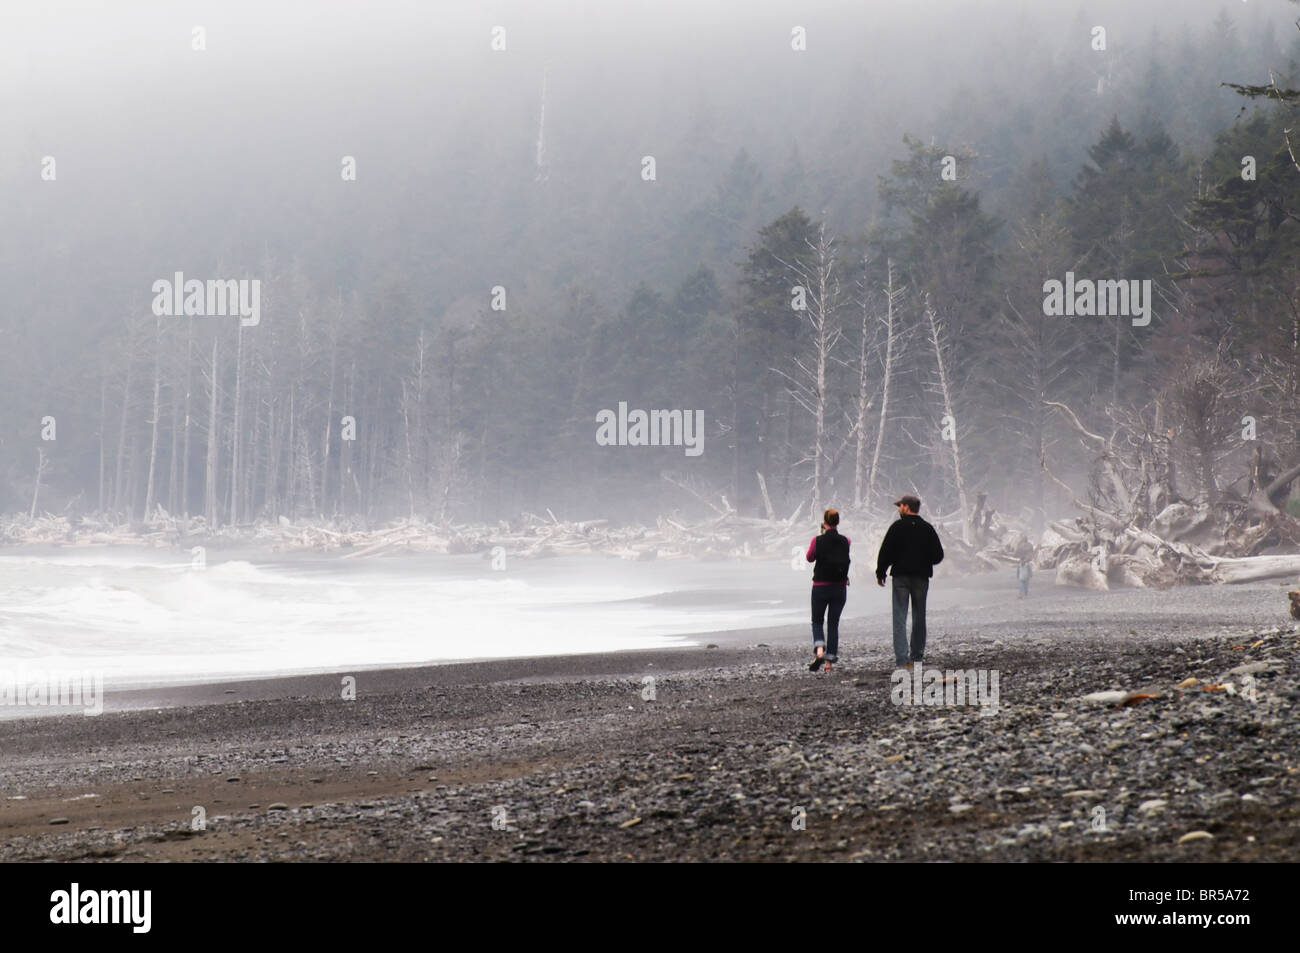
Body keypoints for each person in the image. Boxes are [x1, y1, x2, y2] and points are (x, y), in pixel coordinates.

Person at [875, 494, 944, 670]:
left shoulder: (897, 527)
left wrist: (881, 572)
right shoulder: (927, 528)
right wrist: (924, 560)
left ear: (906, 507)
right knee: (919, 617)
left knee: (899, 617)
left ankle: (902, 659)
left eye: (900, 506)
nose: (899, 509)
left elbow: (886, 552)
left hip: (901, 577)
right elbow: (938, 555)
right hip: (921, 576)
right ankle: (917, 656)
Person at [806, 508, 850, 674]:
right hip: (839, 587)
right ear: (838, 522)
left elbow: (809, 558)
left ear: (824, 522)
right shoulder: (846, 541)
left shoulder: (817, 540)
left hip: (820, 586)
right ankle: (829, 663)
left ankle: (819, 650)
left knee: (817, 620)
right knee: (833, 623)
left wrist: (820, 535)